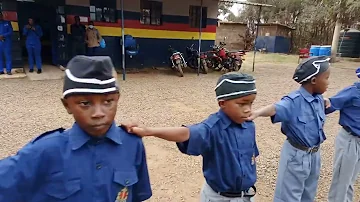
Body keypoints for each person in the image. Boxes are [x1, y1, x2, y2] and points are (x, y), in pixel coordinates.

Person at [0, 56, 152, 202]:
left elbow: (135, 196)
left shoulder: (132, 144)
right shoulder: (45, 151)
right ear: (67, 105)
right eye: (85, 103)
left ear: (117, 99)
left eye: (108, 101)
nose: (98, 113)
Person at [123, 72, 259, 202]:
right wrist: (150, 131)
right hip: (219, 198)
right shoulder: (212, 128)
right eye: (242, 104)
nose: (248, 109)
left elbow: (250, 158)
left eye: (251, 103)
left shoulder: (249, 126)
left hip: (247, 195)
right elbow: (186, 133)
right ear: (222, 103)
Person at [247, 56, 331, 202]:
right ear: (313, 81)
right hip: (296, 156)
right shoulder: (293, 101)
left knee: (308, 194)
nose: (329, 82)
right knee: (288, 197)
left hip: (314, 154)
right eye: (327, 78)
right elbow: (275, 108)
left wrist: (326, 100)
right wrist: (257, 113)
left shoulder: (318, 98)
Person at [326, 67, 360, 202]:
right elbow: (329, 105)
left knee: (350, 180)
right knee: (341, 181)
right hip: (349, 141)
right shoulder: (352, 92)